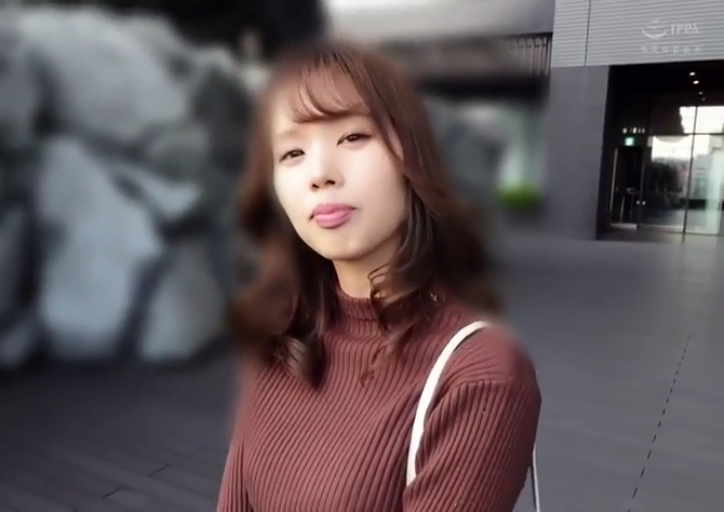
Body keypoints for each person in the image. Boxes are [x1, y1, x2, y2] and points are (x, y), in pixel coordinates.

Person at [218, 38, 541, 512]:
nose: (320, 173)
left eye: (353, 137)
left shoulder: (482, 377)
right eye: (292, 153)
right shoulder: (280, 337)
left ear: (411, 158)